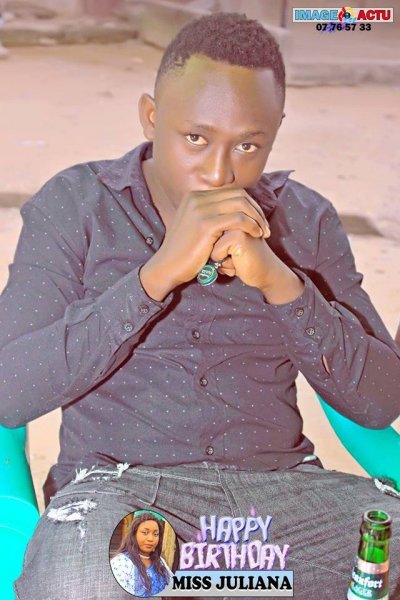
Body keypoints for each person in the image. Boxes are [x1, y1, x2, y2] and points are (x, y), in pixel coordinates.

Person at [1, 11, 399, 600]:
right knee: (83, 582)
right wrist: (155, 276)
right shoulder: (77, 205)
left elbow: (379, 401)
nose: (218, 172)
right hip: (123, 501)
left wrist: (283, 285)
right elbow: (11, 390)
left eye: (248, 145)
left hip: (283, 507)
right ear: (151, 116)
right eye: (195, 138)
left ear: (276, 131)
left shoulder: (305, 219)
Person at [110, 512, 172, 597]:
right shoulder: (120, 562)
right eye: (145, 532)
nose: (150, 539)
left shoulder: (160, 561)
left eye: (155, 534)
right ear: (134, 535)